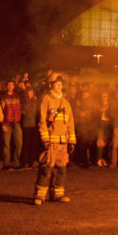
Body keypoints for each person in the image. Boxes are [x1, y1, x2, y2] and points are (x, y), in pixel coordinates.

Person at [34, 74, 75, 205]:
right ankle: (40, 195)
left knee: (61, 169)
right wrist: (44, 138)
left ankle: (57, 194)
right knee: (46, 168)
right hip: (50, 142)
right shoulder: (45, 99)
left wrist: (71, 140)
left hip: (63, 143)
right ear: (50, 85)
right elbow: (41, 121)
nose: (59, 86)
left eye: (61, 84)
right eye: (57, 83)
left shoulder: (66, 103)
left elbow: (70, 123)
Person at [0, 80, 23, 169]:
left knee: (19, 143)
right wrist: (3, 123)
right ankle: (7, 163)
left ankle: (17, 162)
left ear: (14, 86)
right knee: (6, 144)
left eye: (12, 85)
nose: (10, 87)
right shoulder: (4, 97)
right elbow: (1, 111)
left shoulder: (17, 96)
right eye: (8, 85)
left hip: (16, 122)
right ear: (6, 86)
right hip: (7, 122)